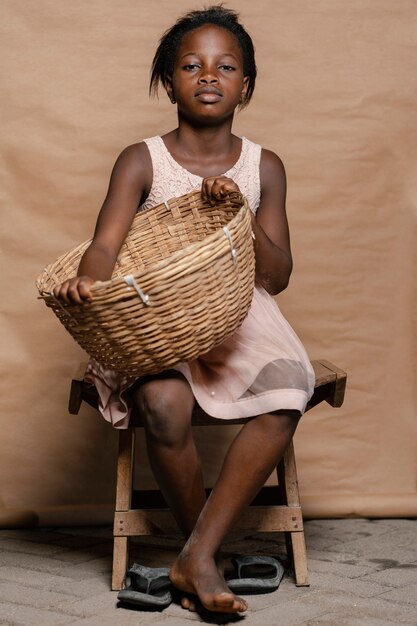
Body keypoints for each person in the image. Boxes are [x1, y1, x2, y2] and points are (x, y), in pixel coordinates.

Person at [54, 5, 315, 615]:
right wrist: (87, 284)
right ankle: (204, 560)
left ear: (244, 86)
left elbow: (276, 276)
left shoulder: (263, 166)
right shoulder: (141, 159)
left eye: (226, 66)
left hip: (237, 317)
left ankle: (195, 555)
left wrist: (240, 215)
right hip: (156, 321)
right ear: (168, 82)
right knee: (162, 402)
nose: (208, 76)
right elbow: (103, 247)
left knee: (289, 387)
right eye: (190, 65)